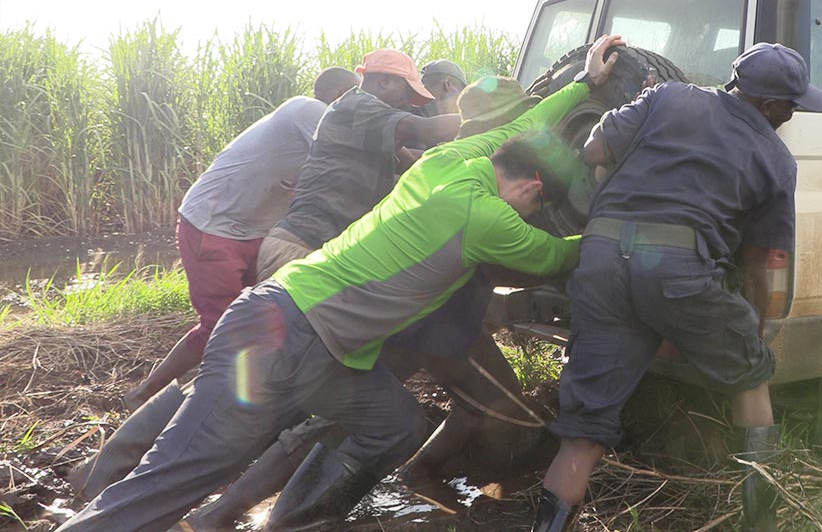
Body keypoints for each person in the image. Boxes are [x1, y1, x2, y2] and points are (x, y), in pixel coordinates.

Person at [57, 35, 622, 532]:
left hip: (322, 346)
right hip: (287, 323)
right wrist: (613, 231)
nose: (532, 210)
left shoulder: (446, 163)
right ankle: (142, 501)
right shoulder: (483, 213)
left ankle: (282, 515)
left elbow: (523, 127)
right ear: (528, 183)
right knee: (186, 469)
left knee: (395, 421)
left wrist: (583, 85)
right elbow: (554, 255)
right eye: (537, 198)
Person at [181, 76, 551, 530]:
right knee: (505, 413)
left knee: (328, 421)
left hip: (395, 316)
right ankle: (295, 511)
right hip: (431, 326)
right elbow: (520, 255)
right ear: (504, 123)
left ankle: (231, 511)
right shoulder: (482, 171)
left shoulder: (448, 161)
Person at [534, 42, 822, 532]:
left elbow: (593, 150)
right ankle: (762, 522)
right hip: (678, 271)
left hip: (601, 259)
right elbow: (761, 264)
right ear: (772, 104)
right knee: (752, 373)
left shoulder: (668, 96)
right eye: (791, 105)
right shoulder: (777, 159)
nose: (793, 113)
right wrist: (749, 330)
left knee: (583, 433)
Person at [119, 67, 360, 412]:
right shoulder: (307, 109)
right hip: (213, 226)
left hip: (255, 230)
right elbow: (348, 160)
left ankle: (232, 392)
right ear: (337, 94)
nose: (359, 106)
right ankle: (145, 395)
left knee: (257, 315)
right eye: (354, 96)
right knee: (220, 324)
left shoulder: (317, 124)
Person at [255, 48, 461, 279]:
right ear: (384, 81)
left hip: (320, 250)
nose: (408, 103)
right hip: (301, 250)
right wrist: (487, 118)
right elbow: (427, 129)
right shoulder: (357, 106)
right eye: (407, 93)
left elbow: (411, 162)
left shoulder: (370, 124)